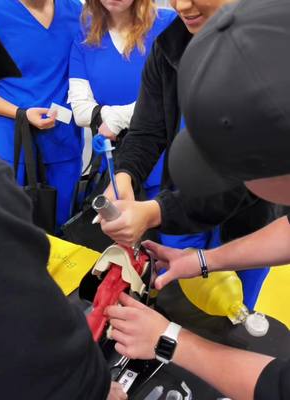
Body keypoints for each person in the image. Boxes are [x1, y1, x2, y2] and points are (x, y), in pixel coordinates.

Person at [106, 1, 290, 398]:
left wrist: (170, 339)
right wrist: (205, 261)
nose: (182, 4)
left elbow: (280, 386)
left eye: (225, 163)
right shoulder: (172, 47)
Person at [0, 27, 126, 399]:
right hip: (13, 138)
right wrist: (92, 385)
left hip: (63, 141)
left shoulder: (73, 14)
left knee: (57, 233)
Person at [0, 0, 85, 230]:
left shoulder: (76, 11)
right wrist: (20, 113)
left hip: (64, 145)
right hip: (11, 147)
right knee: (11, 237)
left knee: (64, 235)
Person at [68, 0, 175, 142]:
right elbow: (81, 111)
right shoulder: (86, 35)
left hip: (159, 152)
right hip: (109, 155)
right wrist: (119, 118)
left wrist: (118, 120)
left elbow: (173, 97)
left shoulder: (168, 24)